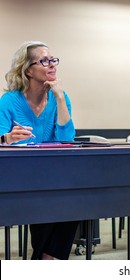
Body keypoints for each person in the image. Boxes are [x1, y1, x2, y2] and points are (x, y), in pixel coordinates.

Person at [0, 41, 79, 259]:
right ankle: (47, 259)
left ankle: (45, 258)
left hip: (54, 173)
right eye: (44, 61)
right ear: (28, 70)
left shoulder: (60, 97)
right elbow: (1, 138)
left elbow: (66, 141)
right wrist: (7, 138)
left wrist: (61, 98)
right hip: (20, 174)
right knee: (46, 195)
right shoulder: (9, 101)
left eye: (53, 60)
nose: (52, 65)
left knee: (76, 196)